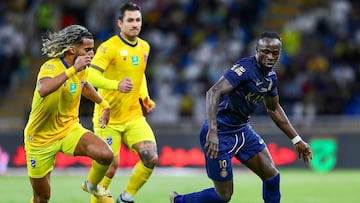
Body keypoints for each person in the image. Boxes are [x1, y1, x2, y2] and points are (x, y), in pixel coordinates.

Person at [170, 31, 313, 203]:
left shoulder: (271, 78)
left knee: (272, 176)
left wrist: (296, 139)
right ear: (257, 50)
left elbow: (273, 109)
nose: (270, 57)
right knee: (224, 195)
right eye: (265, 51)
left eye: (275, 53)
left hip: (242, 131)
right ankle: (179, 201)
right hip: (220, 132)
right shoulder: (244, 69)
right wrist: (213, 131)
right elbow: (213, 92)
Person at [24, 24, 114, 203]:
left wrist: (104, 104)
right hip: (40, 139)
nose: (92, 54)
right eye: (87, 49)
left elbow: (83, 85)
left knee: (106, 155)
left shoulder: (83, 70)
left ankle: (92, 185)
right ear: (73, 49)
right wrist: (73, 69)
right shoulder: (51, 67)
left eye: (92, 49)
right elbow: (43, 89)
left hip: (69, 129)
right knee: (42, 198)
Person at [86, 2, 157, 203]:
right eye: (130, 20)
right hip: (108, 118)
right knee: (110, 165)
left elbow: (139, 75)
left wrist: (145, 96)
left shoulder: (144, 47)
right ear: (120, 23)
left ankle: (126, 198)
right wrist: (116, 85)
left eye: (138, 20)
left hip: (134, 115)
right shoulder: (108, 48)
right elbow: (90, 76)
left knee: (150, 156)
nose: (135, 24)